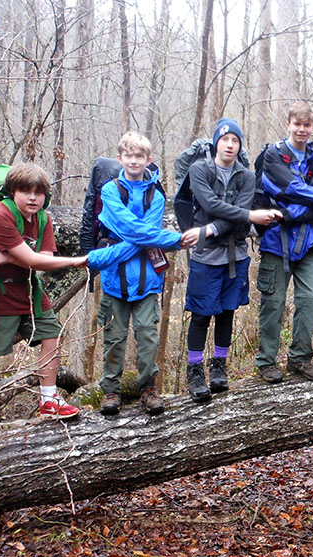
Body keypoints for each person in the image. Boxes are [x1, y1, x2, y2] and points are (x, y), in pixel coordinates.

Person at [0, 163, 89, 448]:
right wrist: (74, 261)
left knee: (51, 334)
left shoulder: (42, 218)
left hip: (26, 287)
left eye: (39, 192)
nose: (33, 198)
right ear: (12, 192)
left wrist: (8, 257)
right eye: (25, 191)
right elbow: (34, 260)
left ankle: (49, 399)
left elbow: (42, 257)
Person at [87, 132, 194, 416]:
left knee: (148, 336)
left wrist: (152, 238)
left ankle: (148, 388)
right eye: (128, 156)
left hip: (148, 280)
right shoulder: (110, 191)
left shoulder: (155, 194)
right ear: (120, 158)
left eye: (139, 156)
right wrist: (171, 239)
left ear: (148, 159)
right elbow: (134, 231)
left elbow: (141, 234)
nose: (134, 161)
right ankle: (111, 390)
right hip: (114, 279)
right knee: (114, 336)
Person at [179, 119, 281, 400]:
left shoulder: (246, 177)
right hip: (205, 256)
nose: (230, 145)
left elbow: (236, 213)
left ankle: (219, 367)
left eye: (235, 140)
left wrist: (210, 228)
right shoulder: (199, 170)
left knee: (227, 312)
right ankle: (195, 371)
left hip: (235, 254)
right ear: (216, 142)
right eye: (225, 140)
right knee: (201, 314)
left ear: (239, 145)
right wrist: (246, 217)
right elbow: (211, 205)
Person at [255, 102, 313, 383]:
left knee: (309, 300)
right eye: (297, 124)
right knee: (273, 303)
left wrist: (290, 211)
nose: (301, 130)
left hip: (308, 242)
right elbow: (289, 187)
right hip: (276, 240)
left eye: (307, 125)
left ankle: (300, 359)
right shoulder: (273, 155)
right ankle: (266, 361)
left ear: (312, 128)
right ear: (288, 124)